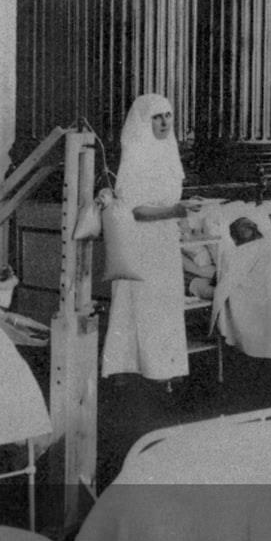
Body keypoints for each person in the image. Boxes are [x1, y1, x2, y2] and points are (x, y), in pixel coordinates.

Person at [102, 94, 201, 387]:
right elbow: (137, 211)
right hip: (140, 241)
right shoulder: (134, 155)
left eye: (168, 115)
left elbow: (168, 200)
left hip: (164, 240)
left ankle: (163, 368)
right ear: (144, 121)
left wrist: (182, 209)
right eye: (157, 117)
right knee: (141, 303)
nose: (164, 122)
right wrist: (176, 211)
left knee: (165, 304)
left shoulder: (169, 152)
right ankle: (128, 369)